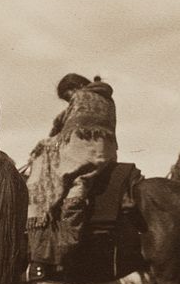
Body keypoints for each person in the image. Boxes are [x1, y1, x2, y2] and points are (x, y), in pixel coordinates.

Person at [25, 73, 118, 268]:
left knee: (42, 171)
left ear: (74, 88)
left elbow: (60, 130)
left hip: (83, 149)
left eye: (67, 97)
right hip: (107, 151)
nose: (68, 101)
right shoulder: (107, 98)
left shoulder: (80, 97)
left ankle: (55, 243)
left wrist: (43, 145)